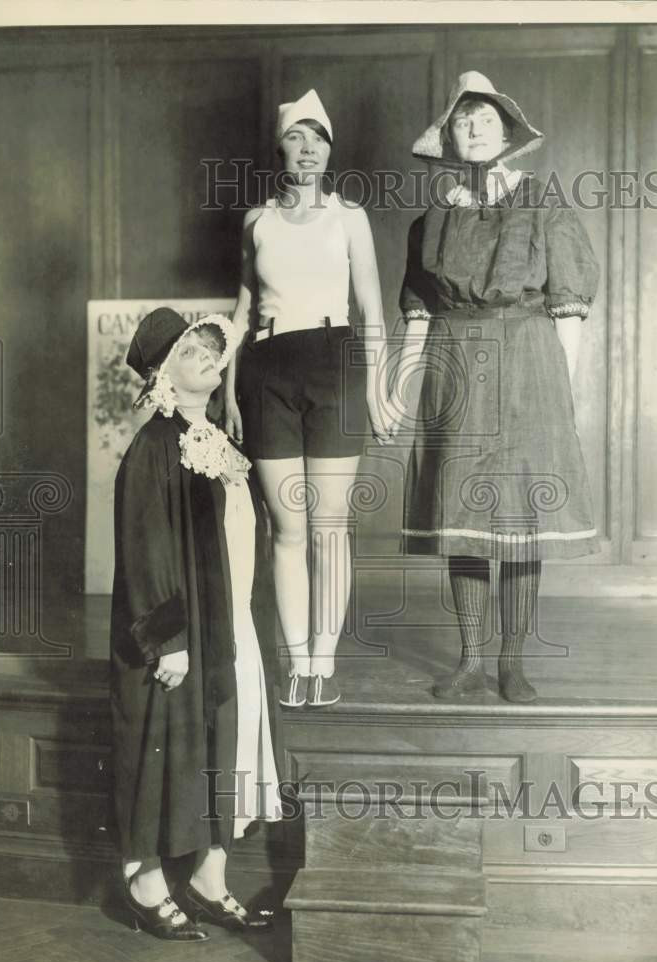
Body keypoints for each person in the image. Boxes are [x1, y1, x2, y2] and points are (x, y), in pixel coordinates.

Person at [390, 71, 600, 704]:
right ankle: (471, 660)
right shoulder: (431, 219)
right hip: (457, 364)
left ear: (507, 132)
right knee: (463, 514)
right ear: (450, 138)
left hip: (530, 364)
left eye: (485, 117)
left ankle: (513, 661)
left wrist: (567, 393)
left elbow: (568, 307)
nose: (475, 127)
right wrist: (400, 389)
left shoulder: (546, 203)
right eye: (462, 120)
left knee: (520, 517)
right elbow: (420, 314)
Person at [110, 307, 283, 940]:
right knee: (166, 750)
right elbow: (145, 550)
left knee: (226, 747)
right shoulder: (155, 446)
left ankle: (211, 878)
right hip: (182, 636)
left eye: (212, 350)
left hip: (230, 623)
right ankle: (145, 882)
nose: (210, 358)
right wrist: (171, 643)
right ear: (162, 377)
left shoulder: (220, 440)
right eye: (192, 353)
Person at [224, 88, 390, 709]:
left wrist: (377, 386)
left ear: (329, 149)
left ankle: (325, 660)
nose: (307, 148)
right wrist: (226, 387)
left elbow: (372, 308)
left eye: (317, 138)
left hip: (335, 365)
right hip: (267, 373)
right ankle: (297, 663)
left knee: (328, 527)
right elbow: (241, 311)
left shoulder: (350, 217)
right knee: (287, 529)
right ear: (280, 148)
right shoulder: (256, 222)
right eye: (296, 137)